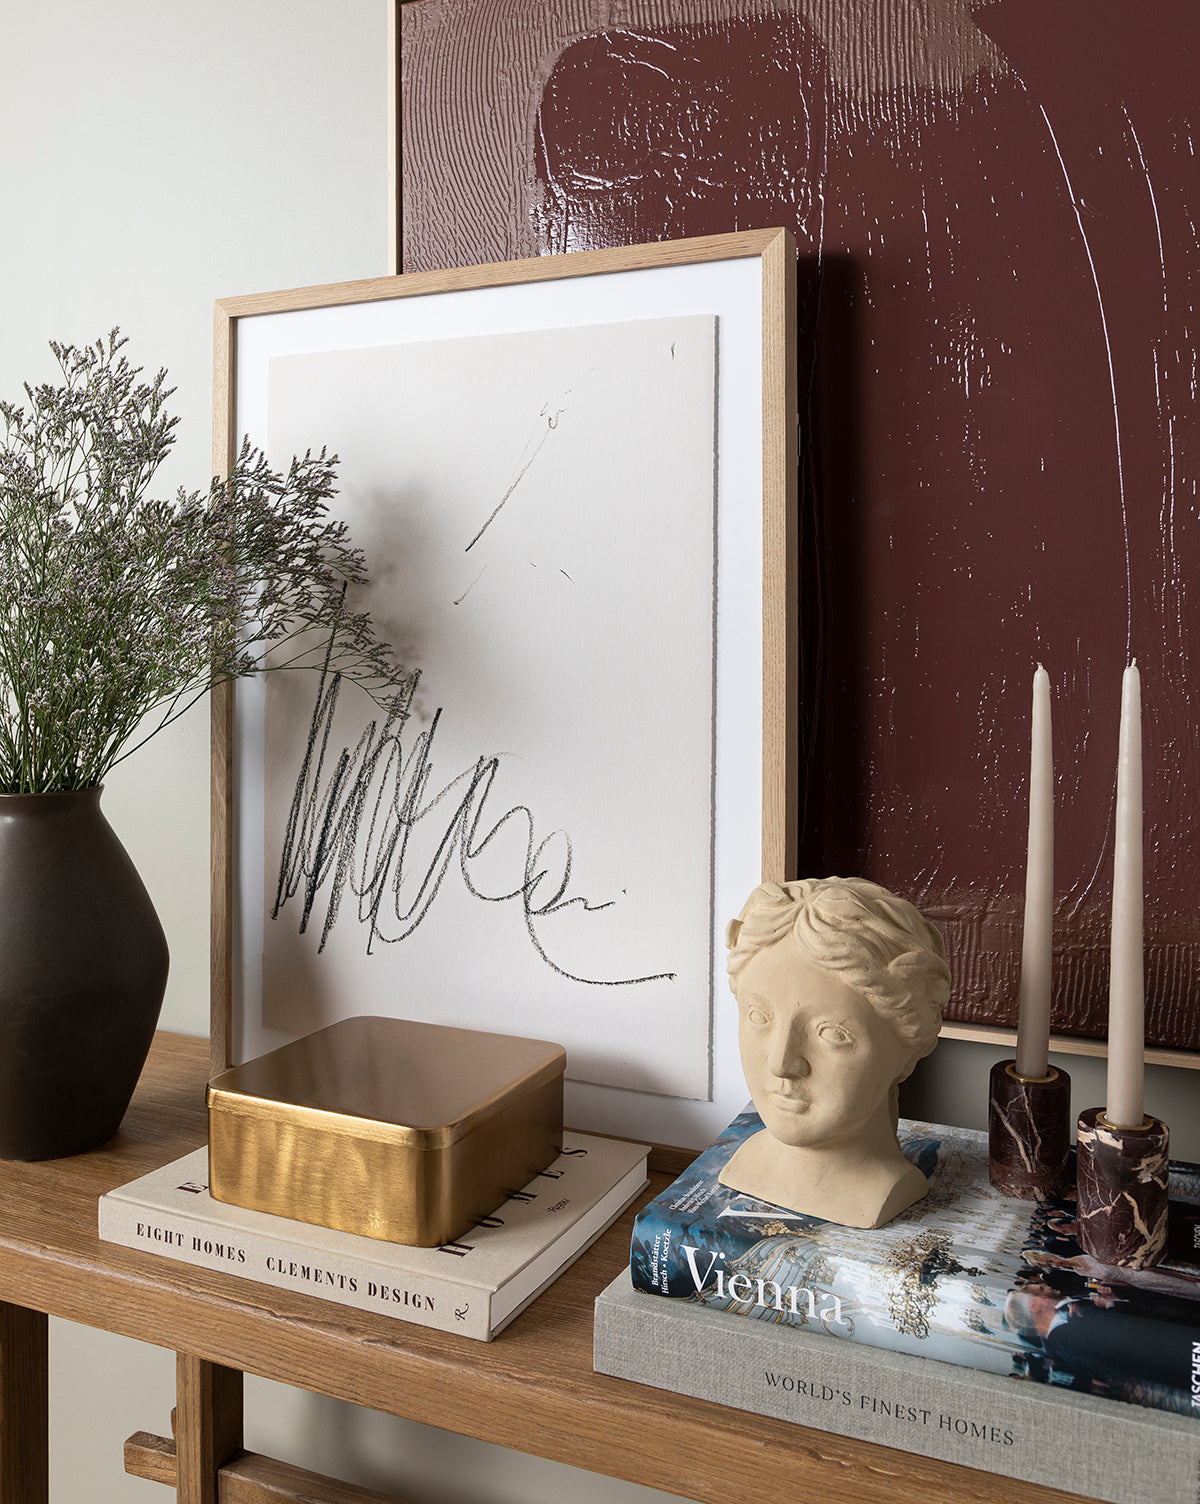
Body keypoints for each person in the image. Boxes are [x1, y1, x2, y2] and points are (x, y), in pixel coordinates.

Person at [719, 877, 950, 1228]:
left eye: (831, 1033)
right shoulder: (743, 1159)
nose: (782, 1063)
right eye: (758, 1017)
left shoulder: (886, 1191)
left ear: (909, 1044)